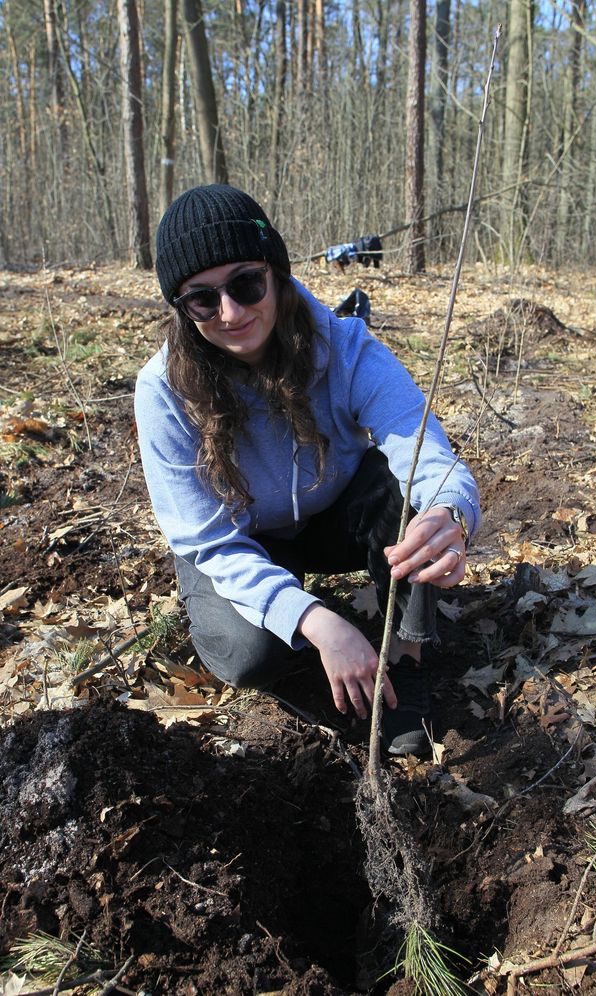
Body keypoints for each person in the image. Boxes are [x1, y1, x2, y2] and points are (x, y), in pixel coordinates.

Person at [134, 184, 481, 757]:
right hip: (240, 541)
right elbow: (211, 543)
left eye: (248, 284)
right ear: (180, 306)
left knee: (411, 496)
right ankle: (310, 656)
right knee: (249, 655)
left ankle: (406, 658)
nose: (232, 312)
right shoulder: (164, 391)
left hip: (331, 515)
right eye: (203, 299)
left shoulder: (343, 345)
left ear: (276, 272)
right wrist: (320, 623)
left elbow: (422, 446)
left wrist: (450, 512)